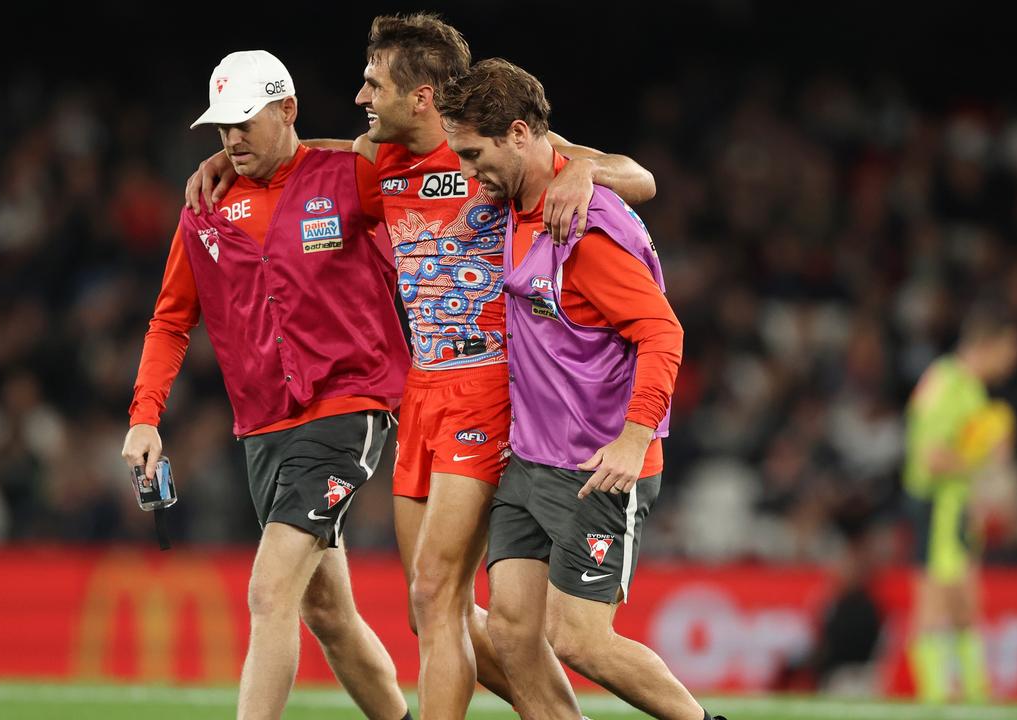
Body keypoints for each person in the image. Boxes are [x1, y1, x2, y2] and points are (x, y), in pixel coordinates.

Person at [186, 14, 657, 719]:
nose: (360, 97)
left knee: (440, 594)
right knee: (432, 606)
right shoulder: (378, 159)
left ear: (423, 96)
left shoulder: (490, 152)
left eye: (373, 83)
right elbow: (315, 157)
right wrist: (238, 153)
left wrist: (586, 169)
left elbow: (641, 177)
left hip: (490, 388)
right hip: (422, 391)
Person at [121, 50, 411, 720]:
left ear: (288, 109)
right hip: (263, 428)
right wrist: (145, 418)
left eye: (244, 121)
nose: (230, 139)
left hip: (348, 405)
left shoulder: (348, 178)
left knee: (269, 590)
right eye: (221, 127)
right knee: (327, 613)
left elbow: (429, 156)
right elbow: (170, 321)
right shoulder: (205, 208)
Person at [437, 58, 721, 720]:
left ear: (516, 135)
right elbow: (605, 163)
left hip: (597, 466)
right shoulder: (531, 189)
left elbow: (663, 333)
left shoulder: (582, 230)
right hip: (531, 458)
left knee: (578, 638)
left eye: (474, 156)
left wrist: (632, 438)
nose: (469, 174)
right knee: (510, 631)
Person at [902, 305, 1017, 703]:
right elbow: (931, 458)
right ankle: (936, 697)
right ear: (992, 343)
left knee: (965, 603)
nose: (1014, 359)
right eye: (1011, 349)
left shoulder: (958, 383)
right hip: (940, 503)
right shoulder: (953, 384)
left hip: (954, 504)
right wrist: (988, 456)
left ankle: (975, 693)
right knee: (937, 601)